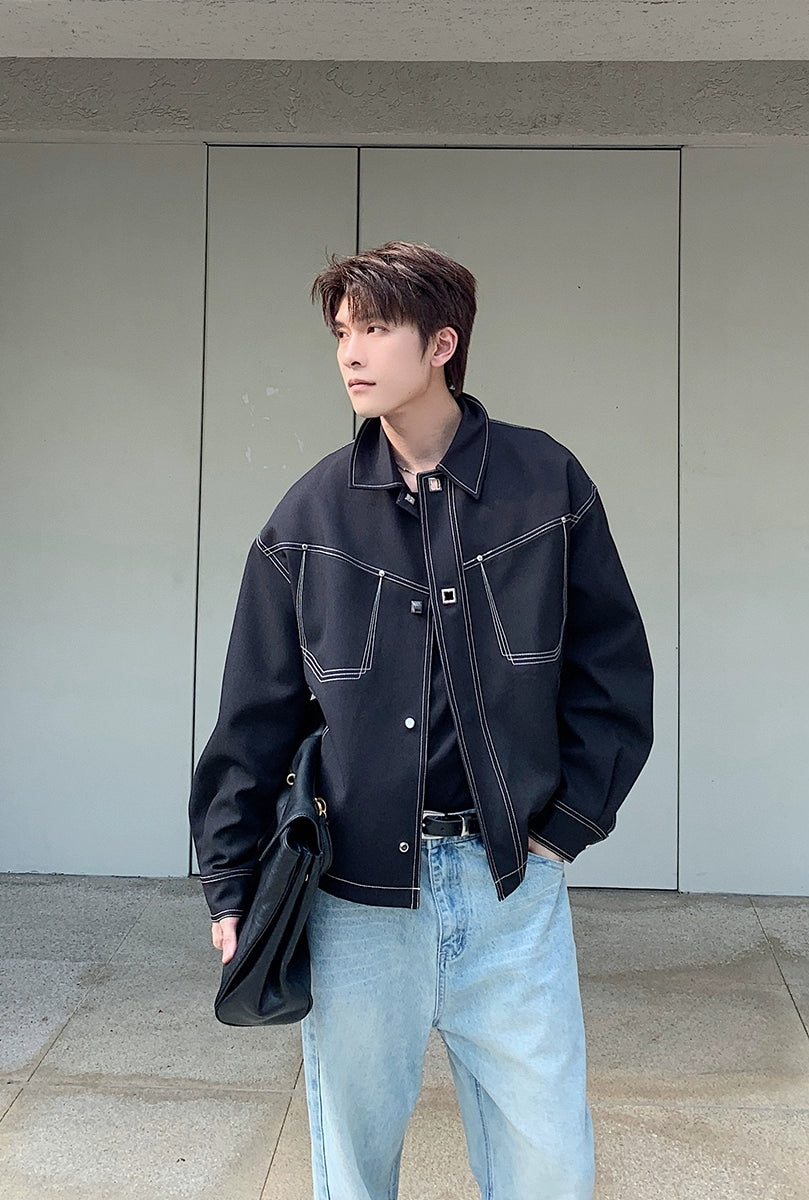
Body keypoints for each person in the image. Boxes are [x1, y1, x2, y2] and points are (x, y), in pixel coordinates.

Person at [190, 241, 654, 1200]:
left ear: (442, 344)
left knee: (549, 1166)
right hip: (357, 899)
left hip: (510, 888)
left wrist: (563, 830)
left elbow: (612, 673)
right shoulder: (309, 517)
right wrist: (229, 879)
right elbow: (254, 713)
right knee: (354, 1171)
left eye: (375, 329)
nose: (350, 353)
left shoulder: (547, 483)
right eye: (341, 332)